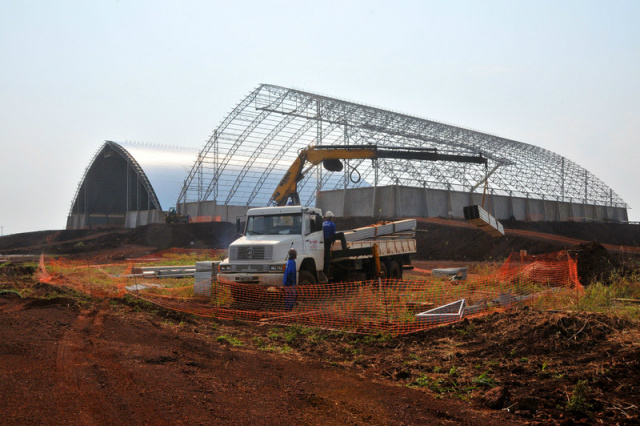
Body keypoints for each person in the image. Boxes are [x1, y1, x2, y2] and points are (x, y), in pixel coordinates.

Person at [322, 211, 347, 277]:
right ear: (331, 217)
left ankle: (326, 268)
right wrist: (333, 241)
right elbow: (333, 233)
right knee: (341, 234)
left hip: (324, 240)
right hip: (330, 238)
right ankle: (344, 247)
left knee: (326, 253)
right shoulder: (332, 224)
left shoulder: (323, 224)